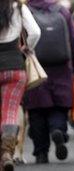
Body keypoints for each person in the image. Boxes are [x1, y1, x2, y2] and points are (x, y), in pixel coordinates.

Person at [23, 0, 74, 164]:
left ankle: (41, 152)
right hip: (62, 68)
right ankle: (58, 131)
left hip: (35, 67)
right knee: (59, 107)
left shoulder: (26, 10)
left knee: (37, 111)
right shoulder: (62, 11)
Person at [0, 0, 40, 170]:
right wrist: (25, 49)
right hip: (15, 66)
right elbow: (35, 32)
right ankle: (7, 152)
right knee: (10, 111)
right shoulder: (19, 7)